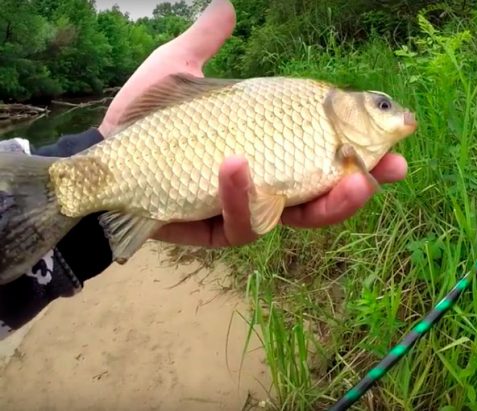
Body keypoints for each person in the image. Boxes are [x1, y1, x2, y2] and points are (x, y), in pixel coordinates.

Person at [0, 0, 407, 340]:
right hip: (139, 154)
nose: (392, 114)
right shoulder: (318, 108)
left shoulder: (325, 120)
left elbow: (268, 202)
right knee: (71, 188)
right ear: (349, 108)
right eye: (382, 106)